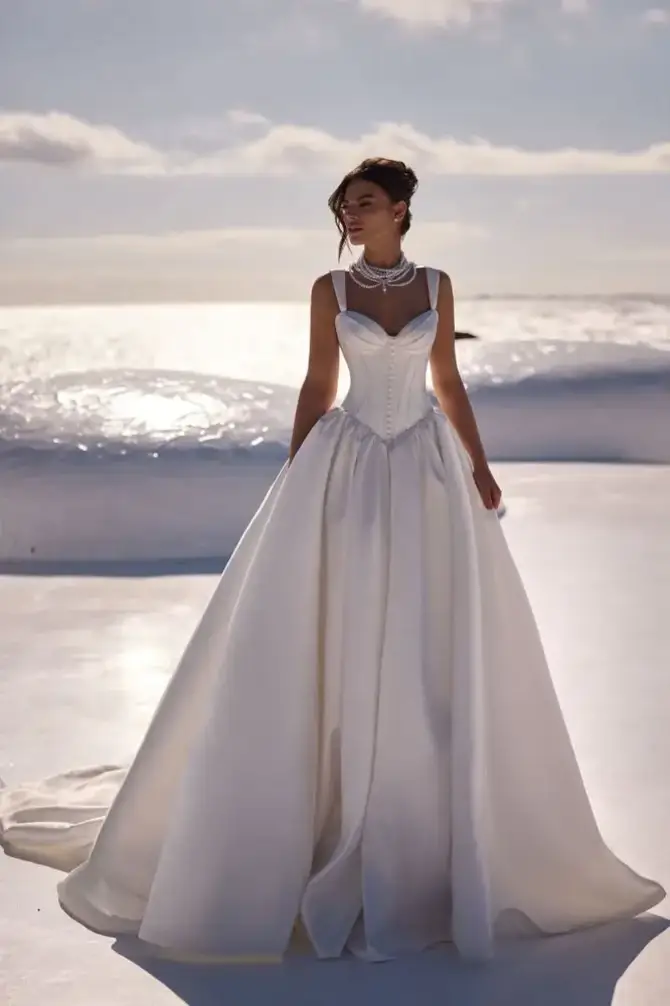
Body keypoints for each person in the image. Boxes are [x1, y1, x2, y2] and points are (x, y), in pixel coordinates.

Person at [0, 158, 664, 964]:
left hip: (425, 466)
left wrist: (481, 466)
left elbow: (448, 381)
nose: (351, 215)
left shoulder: (441, 285)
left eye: (366, 203)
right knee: (336, 633)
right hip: (346, 464)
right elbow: (318, 384)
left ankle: (423, 834)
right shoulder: (331, 290)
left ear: (402, 209)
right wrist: (296, 475)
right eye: (345, 205)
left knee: (425, 639)